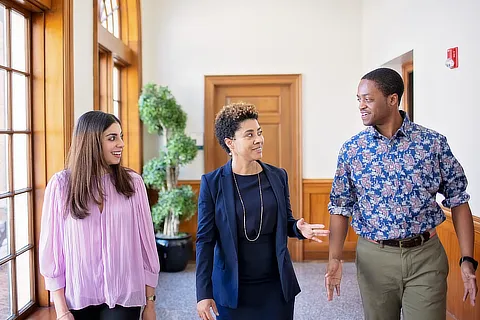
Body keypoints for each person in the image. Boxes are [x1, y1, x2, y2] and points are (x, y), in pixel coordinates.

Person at [325, 68, 478, 320]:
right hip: (374, 259)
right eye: (358, 99)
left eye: (368, 99)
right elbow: (340, 207)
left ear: (392, 99)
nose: (361, 106)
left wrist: (467, 259)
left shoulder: (432, 143)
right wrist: (334, 259)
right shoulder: (353, 150)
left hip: (425, 257)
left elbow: (458, 199)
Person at [195, 102, 330, 320]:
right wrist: (203, 293)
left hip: (275, 288)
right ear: (230, 143)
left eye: (259, 132)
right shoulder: (212, 183)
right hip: (232, 289)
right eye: (249, 135)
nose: (258, 139)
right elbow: (205, 240)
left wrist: (297, 228)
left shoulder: (277, 176)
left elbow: (286, 221)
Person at [39, 111, 160, 320]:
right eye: (112, 138)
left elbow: (146, 244)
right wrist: (61, 311)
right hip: (78, 297)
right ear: (91, 142)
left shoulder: (133, 183)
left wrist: (150, 303)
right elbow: (52, 251)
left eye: (121, 136)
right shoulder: (60, 186)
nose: (121, 143)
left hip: (125, 293)